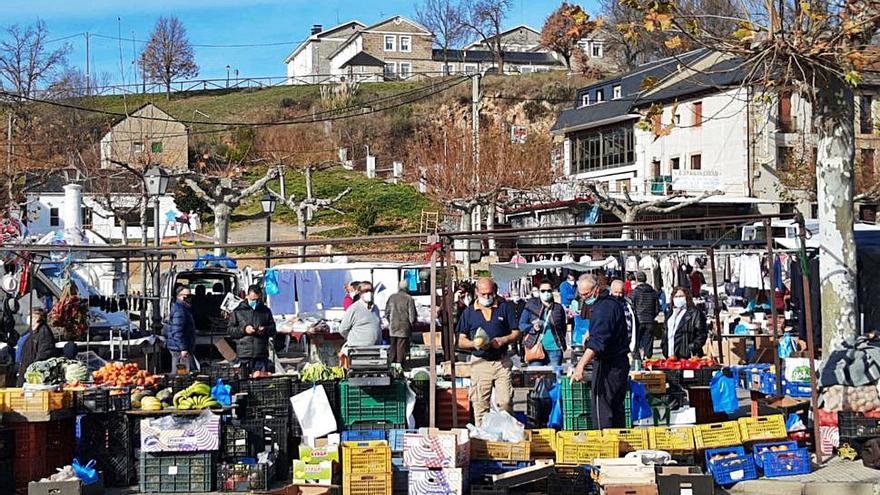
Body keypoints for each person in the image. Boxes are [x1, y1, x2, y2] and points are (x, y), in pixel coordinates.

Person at [457, 277, 520, 425]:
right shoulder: (469, 312)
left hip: (501, 361)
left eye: (490, 293)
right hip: (480, 362)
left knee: (505, 402)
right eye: (483, 294)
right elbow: (461, 340)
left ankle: (505, 434)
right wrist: (475, 344)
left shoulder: (505, 308)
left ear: (495, 291)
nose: (487, 297)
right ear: (477, 292)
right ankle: (482, 438)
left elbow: (516, 332)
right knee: (480, 405)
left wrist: (503, 340)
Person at [572, 274, 630, 429]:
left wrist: (580, 366)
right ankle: (619, 445)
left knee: (602, 409)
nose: (584, 299)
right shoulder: (612, 303)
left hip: (609, 365)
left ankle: (606, 445)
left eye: (586, 295)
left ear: (596, 290)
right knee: (616, 408)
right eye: (581, 295)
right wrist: (591, 332)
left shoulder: (602, 308)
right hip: (620, 364)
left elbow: (598, 343)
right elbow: (608, 329)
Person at [228, 285, 277, 372]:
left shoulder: (266, 311)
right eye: (253, 300)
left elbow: (273, 329)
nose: (255, 302)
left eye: (258, 300)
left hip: (261, 354)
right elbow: (230, 331)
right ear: (247, 296)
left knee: (261, 382)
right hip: (244, 354)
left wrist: (265, 329)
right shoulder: (237, 311)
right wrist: (244, 329)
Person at [519, 280, 567, 367]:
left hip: (555, 349)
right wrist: (532, 328)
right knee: (537, 378)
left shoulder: (558, 308)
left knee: (554, 377)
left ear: (552, 291)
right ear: (539, 291)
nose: (546, 293)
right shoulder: (531, 305)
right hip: (535, 347)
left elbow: (563, 327)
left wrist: (560, 341)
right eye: (543, 291)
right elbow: (521, 325)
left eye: (549, 290)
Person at [663, 287, 708, 359]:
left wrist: (690, 348)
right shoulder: (670, 314)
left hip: (688, 357)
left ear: (687, 297)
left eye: (681, 296)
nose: (678, 299)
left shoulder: (695, 313)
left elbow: (702, 334)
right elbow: (665, 332)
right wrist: (664, 346)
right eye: (676, 296)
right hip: (670, 356)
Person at [16, 308, 57, 386]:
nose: (28, 318)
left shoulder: (44, 332)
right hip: (25, 373)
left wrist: (33, 371)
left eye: (31, 316)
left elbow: (44, 354)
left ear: (37, 317)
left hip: (34, 379)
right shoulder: (32, 332)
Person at [339, 281, 382, 348]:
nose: (369, 293)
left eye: (371, 290)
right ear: (360, 292)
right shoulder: (354, 308)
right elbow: (343, 329)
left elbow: (378, 326)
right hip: (358, 350)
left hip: (375, 349)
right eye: (366, 291)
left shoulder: (375, 308)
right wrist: (354, 339)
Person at [164, 286, 196, 372]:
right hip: (179, 349)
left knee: (183, 372)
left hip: (179, 347)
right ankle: (178, 384)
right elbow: (177, 331)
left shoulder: (183, 308)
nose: (190, 298)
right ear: (181, 297)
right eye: (188, 296)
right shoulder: (180, 311)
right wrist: (183, 348)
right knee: (182, 373)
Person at [385, 280, 417, 365]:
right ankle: (399, 366)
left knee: (393, 347)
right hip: (404, 327)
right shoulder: (409, 298)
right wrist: (411, 324)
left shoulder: (392, 297)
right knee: (401, 348)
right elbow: (412, 316)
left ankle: (391, 365)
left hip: (393, 326)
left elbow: (387, 313)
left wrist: (390, 321)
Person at [631, 272, 661, 360]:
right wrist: (652, 316)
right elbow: (657, 308)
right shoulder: (653, 292)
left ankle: (637, 361)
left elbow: (632, 306)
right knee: (648, 342)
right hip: (650, 320)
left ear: (637, 280)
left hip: (638, 320)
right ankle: (648, 359)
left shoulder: (635, 292)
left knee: (636, 342)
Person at [610, 279, 637, 357]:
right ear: (611, 291)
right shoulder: (607, 304)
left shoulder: (627, 303)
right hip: (613, 341)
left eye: (621, 292)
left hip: (626, 340)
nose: (619, 295)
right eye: (616, 292)